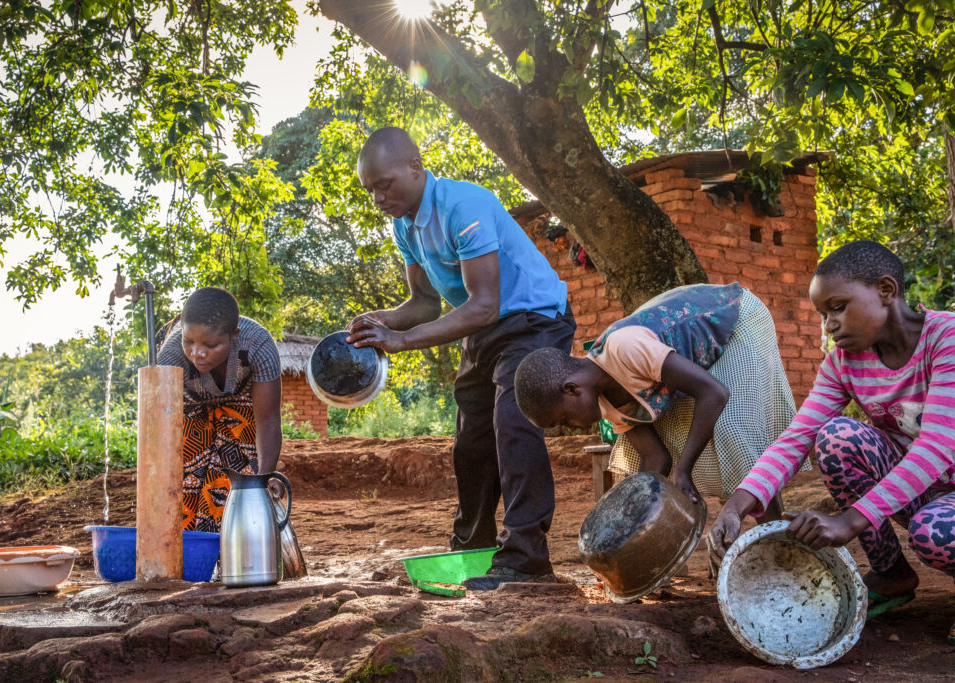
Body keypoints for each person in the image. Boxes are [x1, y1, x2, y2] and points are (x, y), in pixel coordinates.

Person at [346, 127, 576, 590]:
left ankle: (527, 556)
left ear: (415, 167)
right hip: (486, 329)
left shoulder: (462, 206)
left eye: (384, 184)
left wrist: (403, 342)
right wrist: (382, 322)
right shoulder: (404, 225)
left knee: (513, 422)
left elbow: (484, 302)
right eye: (370, 190)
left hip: (533, 319)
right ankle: (473, 546)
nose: (378, 197)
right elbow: (425, 304)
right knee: (471, 438)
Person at [707, 241, 955, 643]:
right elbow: (796, 438)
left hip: (941, 492)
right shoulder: (845, 362)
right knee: (837, 438)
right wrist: (738, 504)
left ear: (886, 291)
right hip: (925, 489)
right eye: (823, 314)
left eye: (838, 307)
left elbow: (936, 449)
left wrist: (849, 522)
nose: (828, 325)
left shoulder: (946, 339)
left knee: (934, 533)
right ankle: (891, 574)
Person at [515, 282, 797, 515]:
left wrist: (684, 471)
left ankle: (776, 540)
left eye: (564, 418)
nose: (570, 426)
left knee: (732, 428)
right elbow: (655, 459)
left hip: (734, 316)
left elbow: (714, 393)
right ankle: (771, 530)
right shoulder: (609, 407)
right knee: (646, 455)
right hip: (697, 358)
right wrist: (629, 516)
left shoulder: (625, 349)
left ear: (572, 389)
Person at [156, 287, 283, 532]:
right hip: (189, 411)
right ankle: (190, 555)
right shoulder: (170, 357)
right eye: (189, 341)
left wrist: (264, 478)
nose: (197, 353)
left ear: (234, 335)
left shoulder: (259, 346)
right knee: (182, 490)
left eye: (211, 345)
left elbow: (268, 421)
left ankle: (238, 547)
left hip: (241, 412)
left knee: (246, 489)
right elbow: (161, 428)